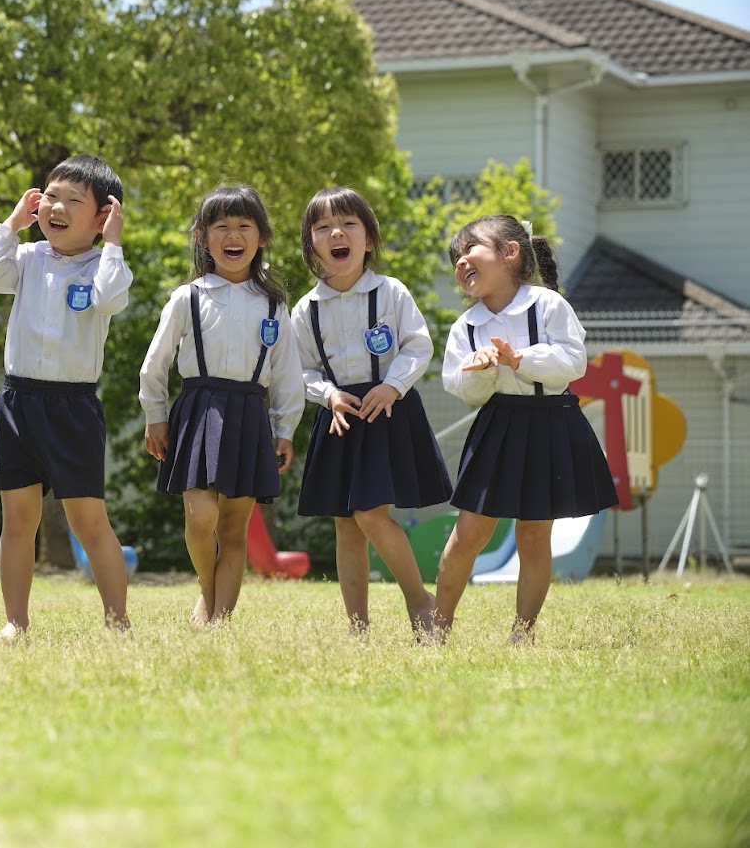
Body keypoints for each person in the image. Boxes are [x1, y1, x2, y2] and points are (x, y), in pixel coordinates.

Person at [0, 154, 132, 638]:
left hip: (73, 408)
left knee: (89, 520)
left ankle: (117, 622)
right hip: (19, 402)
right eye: (51, 197)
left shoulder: (105, 265)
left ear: (102, 216)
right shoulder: (26, 258)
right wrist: (12, 225)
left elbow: (110, 297)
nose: (56, 207)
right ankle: (14, 622)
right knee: (18, 520)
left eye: (73, 200)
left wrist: (114, 243)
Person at [435, 214, 616, 642]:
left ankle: (523, 634)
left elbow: (573, 363)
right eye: (456, 258)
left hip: (551, 423)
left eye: (469, 250)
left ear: (509, 253)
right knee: (469, 535)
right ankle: (435, 628)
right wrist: (480, 371)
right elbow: (462, 388)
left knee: (534, 535)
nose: (461, 263)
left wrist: (519, 359)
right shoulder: (467, 326)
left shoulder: (549, 305)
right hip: (498, 427)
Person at [290, 187, 451, 637]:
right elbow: (299, 369)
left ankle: (421, 602)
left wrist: (393, 385)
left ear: (369, 240)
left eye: (348, 224)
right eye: (322, 227)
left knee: (371, 515)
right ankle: (357, 628)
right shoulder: (305, 310)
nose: (336, 233)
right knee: (346, 524)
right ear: (311, 245)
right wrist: (328, 395)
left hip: (387, 412)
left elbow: (418, 345)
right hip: (341, 418)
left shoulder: (391, 293)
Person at [140, 185, 304, 624]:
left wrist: (284, 428)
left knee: (234, 528)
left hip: (251, 413)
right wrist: (155, 416)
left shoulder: (273, 304)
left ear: (262, 236)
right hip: (198, 410)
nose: (233, 236)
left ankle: (218, 621)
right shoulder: (187, 298)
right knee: (200, 515)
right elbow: (154, 365)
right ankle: (207, 591)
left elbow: (288, 373)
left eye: (244, 226)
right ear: (201, 236)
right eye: (221, 227)